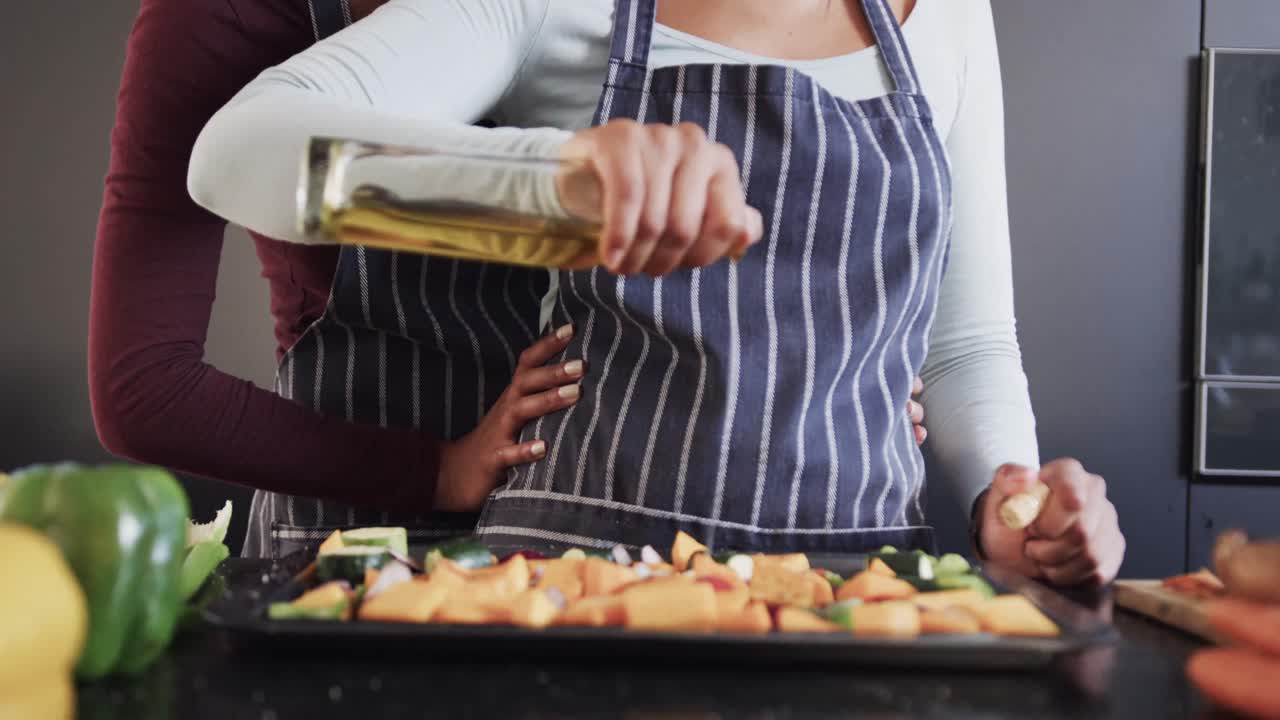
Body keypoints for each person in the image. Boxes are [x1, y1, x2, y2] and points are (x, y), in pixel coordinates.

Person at [188, 0, 1122, 584]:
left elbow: (963, 345)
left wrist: (1013, 507)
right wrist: (547, 177)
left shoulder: (949, 11)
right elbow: (238, 151)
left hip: (861, 588)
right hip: (578, 587)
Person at [88, 0, 931, 560]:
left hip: (563, 512)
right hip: (354, 530)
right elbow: (145, 389)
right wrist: (433, 470)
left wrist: (844, 370)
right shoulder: (221, 17)